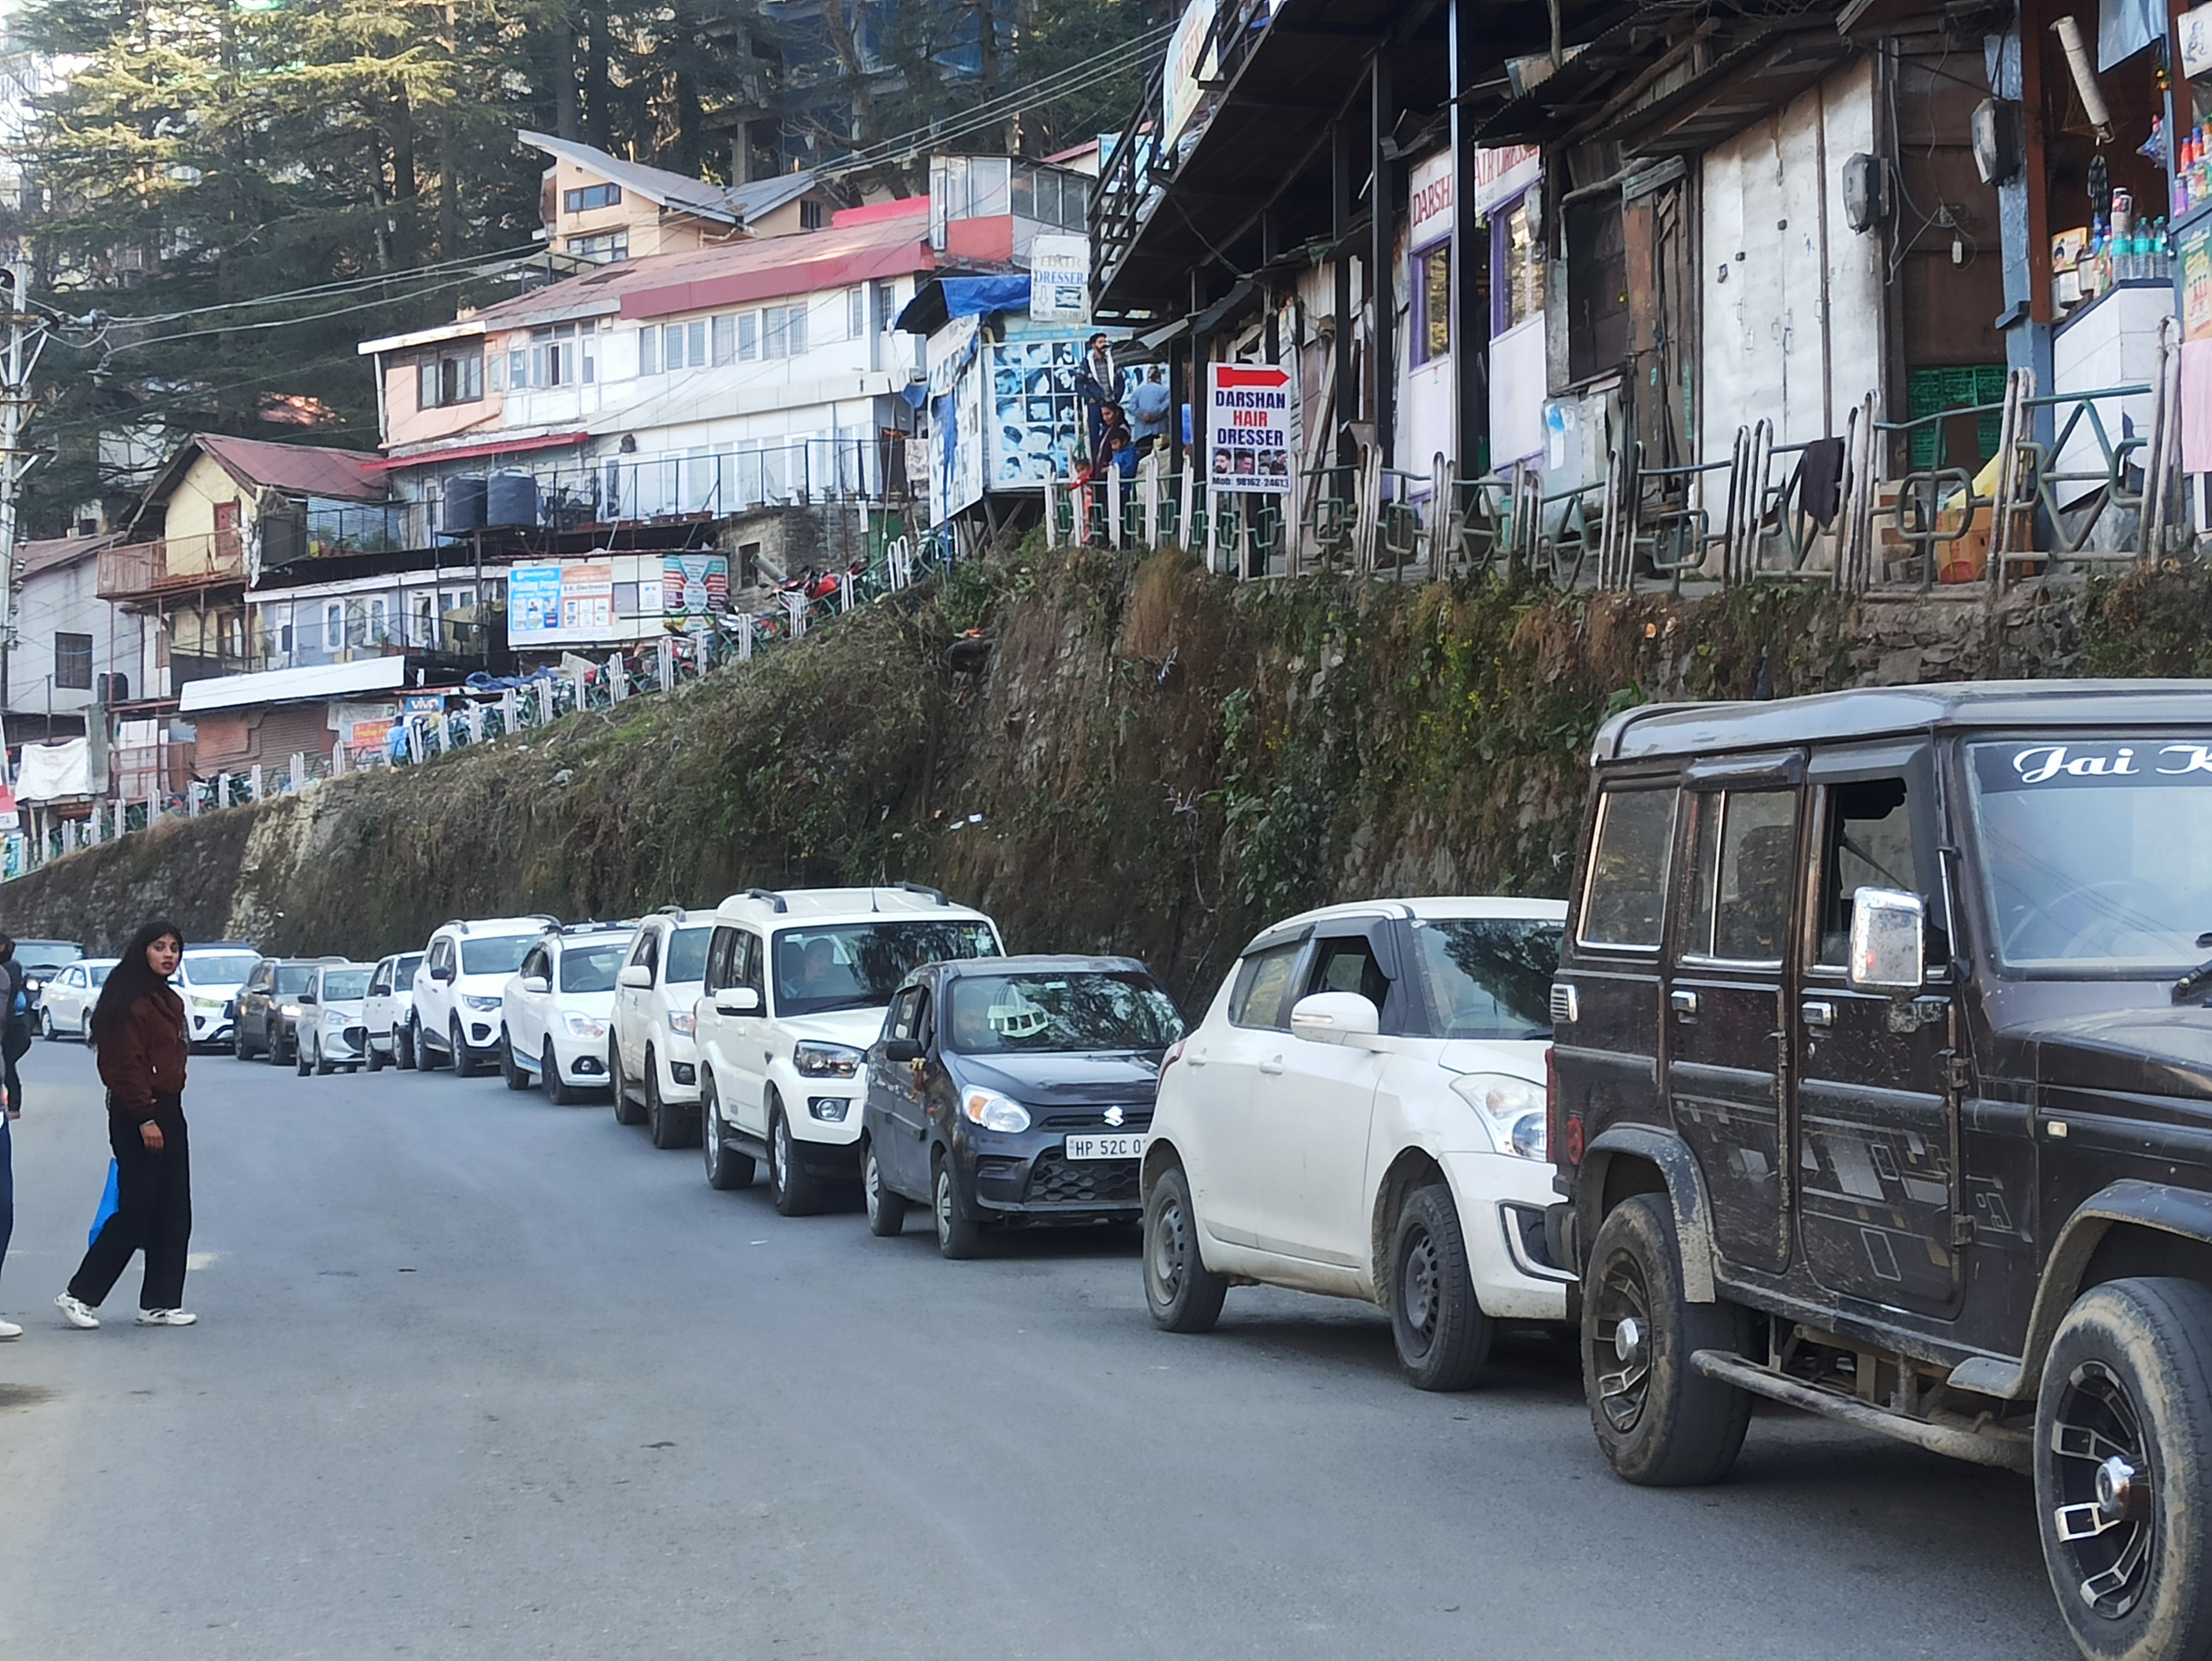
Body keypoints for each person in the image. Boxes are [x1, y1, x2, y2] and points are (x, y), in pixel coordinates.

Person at [57, 920, 196, 1330]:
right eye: (159, 947)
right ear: (142, 952)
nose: (168, 955)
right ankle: (79, 1295)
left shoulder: (167, 1000)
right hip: (138, 1112)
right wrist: (145, 1117)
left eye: (174, 948)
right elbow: (122, 1066)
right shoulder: (128, 1002)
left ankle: (160, 1302)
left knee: (174, 1210)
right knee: (136, 1209)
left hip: (170, 1108)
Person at [0, 934, 29, 1121]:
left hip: (14, 1027)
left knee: (8, 1064)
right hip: (10, 1024)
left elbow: (7, 1004)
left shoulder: (10, 968)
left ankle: (14, 1106)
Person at [1074, 333, 1116, 455]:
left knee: (1113, 433)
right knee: (1095, 436)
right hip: (1096, 404)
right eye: (1101, 342)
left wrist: (1117, 396)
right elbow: (1078, 384)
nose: (1104, 344)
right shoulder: (1087, 364)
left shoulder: (1112, 361)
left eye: (1105, 342)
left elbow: (1120, 380)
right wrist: (1090, 397)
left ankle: (1111, 463)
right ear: (1094, 345)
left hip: (1110, 403)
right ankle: (1098, 465)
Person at [1130, 365, 1172, 454]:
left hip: (1142, 434)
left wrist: (1142, 416)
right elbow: (1165, 407)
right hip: (1160, 432)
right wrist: (1153, 416)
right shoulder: (1166, 391)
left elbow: (1132, 408)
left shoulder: (1138, 391)